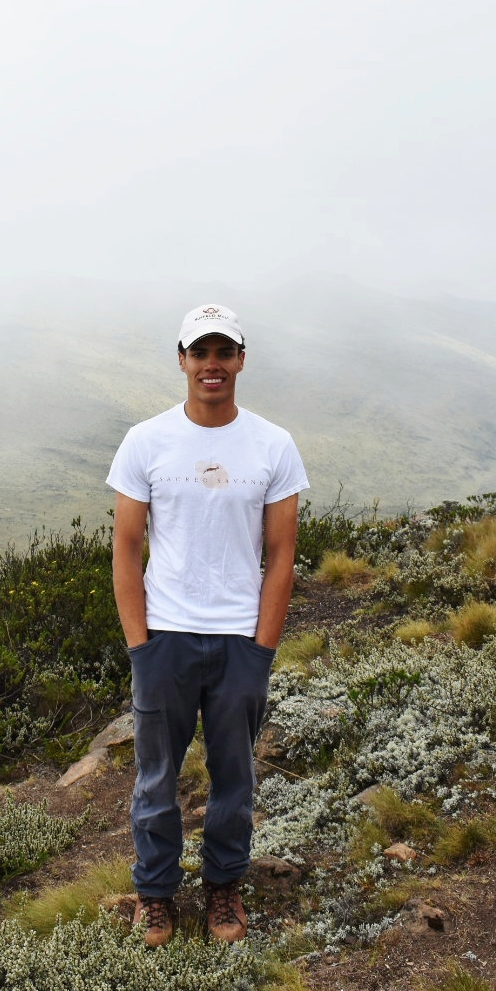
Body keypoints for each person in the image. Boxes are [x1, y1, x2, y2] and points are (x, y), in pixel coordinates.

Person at [106, 303, 309, 947]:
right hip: (164, 638)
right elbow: (126, 550)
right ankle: (156, 896)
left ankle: (224, 889)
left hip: (238, 640)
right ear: (182, 360)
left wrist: (262, 650)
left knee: (234, 776)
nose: (212, 365)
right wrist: (140, 646)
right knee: (156, 777)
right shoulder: (146, 442)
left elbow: (281, 556)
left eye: (224, 353)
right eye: (201, 353)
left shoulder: (273, 445)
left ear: (241, 360)